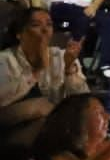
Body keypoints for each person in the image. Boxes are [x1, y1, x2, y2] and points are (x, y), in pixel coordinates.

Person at [0, 10, 88, 147]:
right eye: (36, 25)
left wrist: (69, 69)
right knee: (42, 107)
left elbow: (83, 101)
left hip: (56, 125)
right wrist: (36, 71)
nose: (45, 30)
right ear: (19, 33)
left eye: (49, 25)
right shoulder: (5, 59)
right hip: (12, 125)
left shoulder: (62, 56)